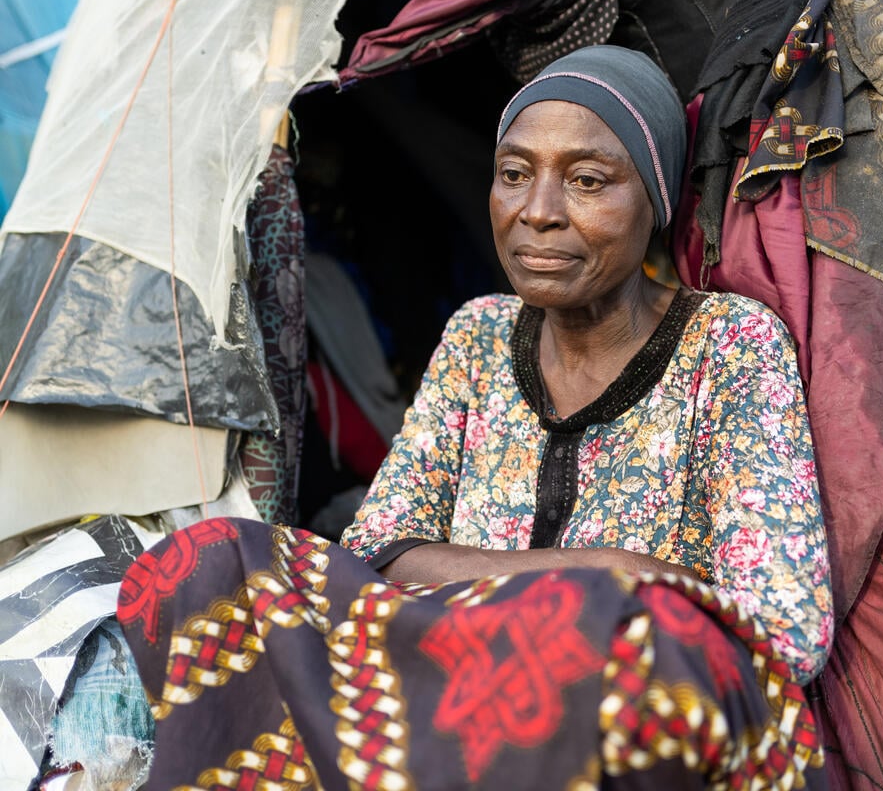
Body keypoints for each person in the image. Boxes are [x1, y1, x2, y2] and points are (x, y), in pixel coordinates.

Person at [117, 44, 833, 789]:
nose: (539, 212)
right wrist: (610, 571)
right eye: (514, 174)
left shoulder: (730, 345)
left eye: (588, 181)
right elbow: (378, 547)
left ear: (655, 197)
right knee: (211, 562)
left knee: (660, 643)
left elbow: (782, 626)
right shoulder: (481, 335)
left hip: (620, 707)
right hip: (450, 684)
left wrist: (595, 609)